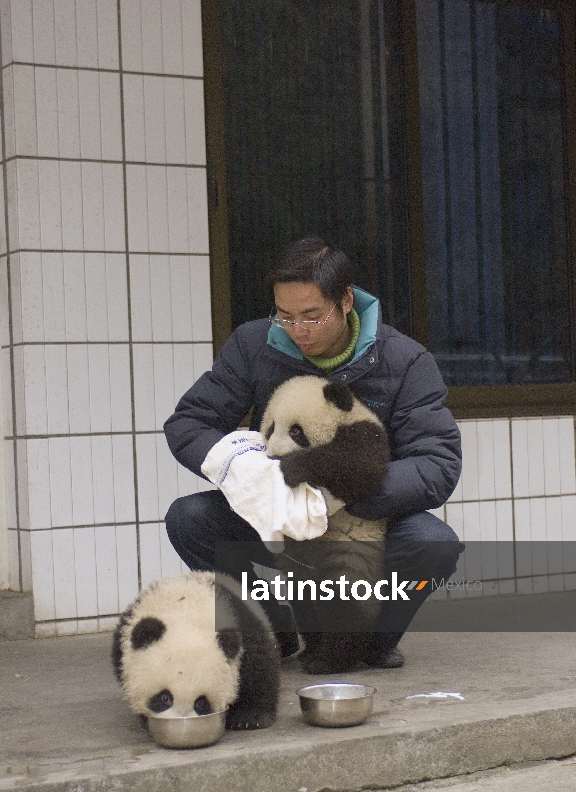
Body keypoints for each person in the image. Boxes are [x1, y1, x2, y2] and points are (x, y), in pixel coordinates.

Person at [164, 236, 462, 668]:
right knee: (189, 519)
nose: (298, 330)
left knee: (434, 544)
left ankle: (370, 641)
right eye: (285, 316)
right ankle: (269, 633)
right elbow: (190, 422)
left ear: (344, 301)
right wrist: (248, 473)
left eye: (311, 316)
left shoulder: (404, 361)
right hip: (278, 508)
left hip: (362, 516)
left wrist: (340, 491)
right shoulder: (254, 345)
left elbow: (437, 464)